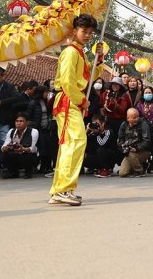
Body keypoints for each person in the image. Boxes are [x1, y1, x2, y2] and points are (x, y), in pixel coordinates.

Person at [48, 14, 100, 207]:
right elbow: (69, 82)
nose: (87, 35)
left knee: (69, 145)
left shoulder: (80, 53)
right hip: (69, 101)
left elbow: (91, 74)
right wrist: (82, 100)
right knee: (77, 141)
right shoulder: (71, 52)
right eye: (83, 31)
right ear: (74, 31)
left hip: (71, 102)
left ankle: (59, 190)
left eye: (90, 33)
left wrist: (99, 59)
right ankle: (63, 189)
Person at [0, 68, 27, 176]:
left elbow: (16, 97)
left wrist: (2, 102)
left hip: (3, 121)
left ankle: (5, 167)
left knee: (4, 145)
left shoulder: (9, 87)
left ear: (2, 77)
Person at [1, 112, 39, 178]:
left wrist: (23, 149)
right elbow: (5, 144)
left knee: (29, 155)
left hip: (29, 155)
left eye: (21, 121)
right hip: (16, 155)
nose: (18, 123)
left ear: (27, 123)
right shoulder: (11, 131)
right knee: (4, 154)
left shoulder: (34, 131)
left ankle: (28, 172)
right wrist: (5, 148)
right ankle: (13, 172)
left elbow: (33, 148)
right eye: (17, 121)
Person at [118, 107, 153, 177]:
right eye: (134, 117)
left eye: (137, 117)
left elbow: (147, 141)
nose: (136, 119)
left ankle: (139, 171)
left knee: (130, 155)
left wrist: (136, 148)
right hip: (129, 151)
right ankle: (142, 165)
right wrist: (124, 147)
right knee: (122, 173)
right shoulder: (123, 125)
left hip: (143, 151)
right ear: (128, 118)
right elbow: (120, 140)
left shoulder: (144, 124)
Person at [137, 84, 153, 173]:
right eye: (146, 92)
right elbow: (137, 115)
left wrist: (150, 122)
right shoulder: (139, 104)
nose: (148, 94)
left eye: (149, 92)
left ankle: (152, 166)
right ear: (143, 94)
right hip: (142, 129)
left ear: (152, 93)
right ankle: (143, 165)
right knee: (144, 147)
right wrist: (144, 123)